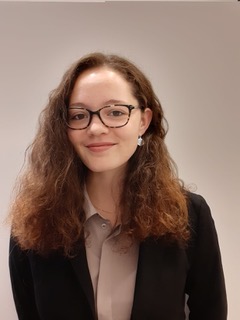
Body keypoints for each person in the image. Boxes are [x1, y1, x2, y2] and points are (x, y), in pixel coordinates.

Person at [8, 52, 227, 320]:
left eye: (115, 112)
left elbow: (211, 312)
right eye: (78, 115)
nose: (96, 128)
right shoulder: (34, 223)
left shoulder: (190, 214)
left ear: (143, 121)